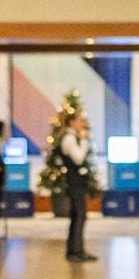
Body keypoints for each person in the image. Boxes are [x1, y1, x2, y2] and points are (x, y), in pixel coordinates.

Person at [58, 112, 94, 263]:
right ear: (72, 122)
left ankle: (76, 249)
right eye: (81, 121)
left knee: (77, 216)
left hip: (77, 182)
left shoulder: (73, 138)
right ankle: (76, 251)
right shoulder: (70, 139)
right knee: (80, 215)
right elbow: (78, 159)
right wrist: (84, 140)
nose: (84, 124)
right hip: (74, 183)